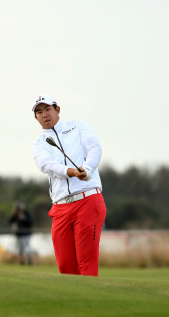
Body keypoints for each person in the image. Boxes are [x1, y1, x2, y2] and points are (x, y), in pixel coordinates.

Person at [32, 95, 106, 276]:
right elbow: (47, 165)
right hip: (60, 207)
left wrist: (87, 169)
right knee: (65, 267)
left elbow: (94, 148)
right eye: (39, 112)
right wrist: (72, 171)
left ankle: (90, 303)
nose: (44, 115)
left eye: (48, 109)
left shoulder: (78, 126)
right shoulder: (39, 143)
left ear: (57, 110)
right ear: (36, 118)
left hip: (87, 200)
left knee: (86, 263)